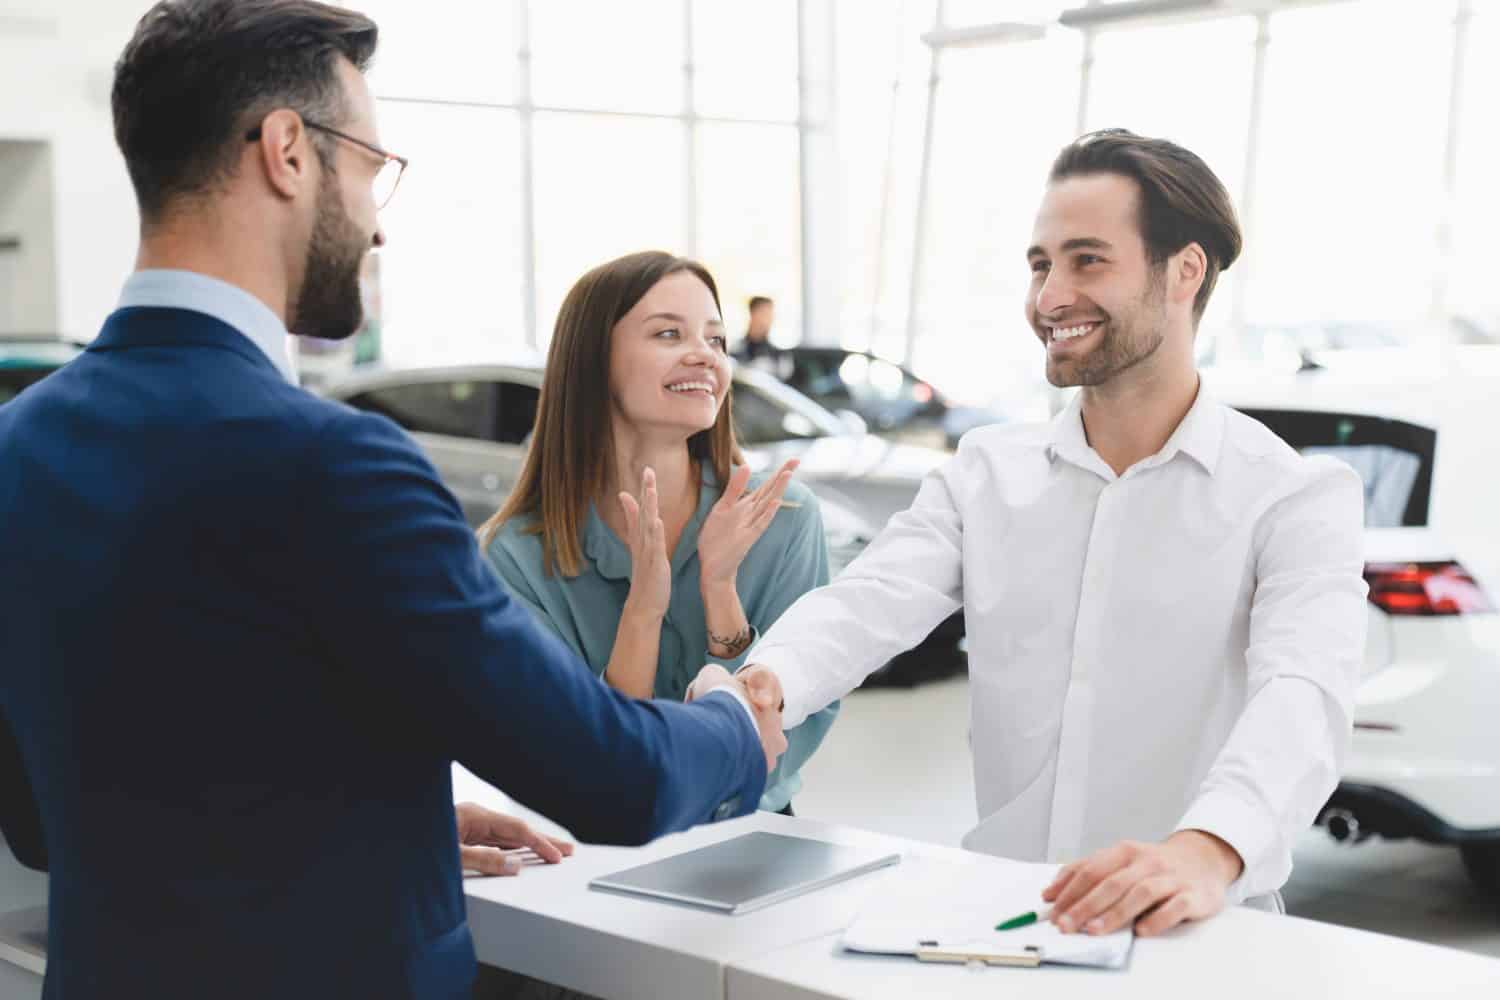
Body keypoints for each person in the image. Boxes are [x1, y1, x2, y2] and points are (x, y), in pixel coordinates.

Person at [0, 3, 784, 998]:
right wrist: (734, 732)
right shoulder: (331, 463)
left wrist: (391, 822)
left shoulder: (17, 447)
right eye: (371, 165)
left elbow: (44, 812)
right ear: (288, 152)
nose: (376, 218)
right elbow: (609, 774)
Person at [705, 129, 1367, 939]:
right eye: (1040, 264)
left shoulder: (1294, 496)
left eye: (1088, 260)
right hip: (1009, 926)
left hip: (1198, 934)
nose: (1050, 297)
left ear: (1184, 272)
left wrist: (1208, 848)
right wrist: (770, 679)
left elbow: (1303, 696)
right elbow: (871, 599)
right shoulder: (984, 474)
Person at [481, 252, 838, 816]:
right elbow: (583, 758)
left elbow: (795, 729)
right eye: (669, 333)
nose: (704, 355)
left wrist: (720, 591)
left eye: (716, 340)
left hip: (754, 838)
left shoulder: (786, 515)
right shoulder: (518, 556)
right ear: (593, 361)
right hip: (597, 851)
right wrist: (641, 614)